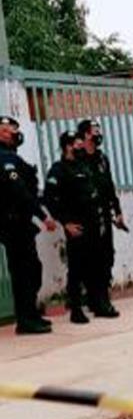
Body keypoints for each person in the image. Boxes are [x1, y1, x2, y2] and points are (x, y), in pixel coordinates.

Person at [44, 132, 115, 324]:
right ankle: (76, 309)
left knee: (98, 266)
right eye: (77, 142)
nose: (81, 145)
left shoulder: (84, 166)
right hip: (77, 227)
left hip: (94, 225)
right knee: (77, 269)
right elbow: (49, 199)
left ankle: (99, 304)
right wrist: (65, 222)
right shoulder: (59, 170)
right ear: (68, 146)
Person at [0, 116, 57, 334]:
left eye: (13, 129)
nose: (12, 133)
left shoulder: (14, 157)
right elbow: (20, 192)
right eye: (6, 130)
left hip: (21, 222)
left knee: (31, 269)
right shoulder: (4, 159)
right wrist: (43, 216)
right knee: (24, 271)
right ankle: (25, 319)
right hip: (12, 223)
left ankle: (30, 314)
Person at [76, 119, 123, 317]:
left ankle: (101, 296)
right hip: (86, 216)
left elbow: (109, 185)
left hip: (103, 213)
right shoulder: (78, 160)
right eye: (94, 131)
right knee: (91, 259)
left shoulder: (102, 158)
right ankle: (96, 300)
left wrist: (117, 211)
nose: (98, 134)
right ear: (86, 134)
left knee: (106, 256)